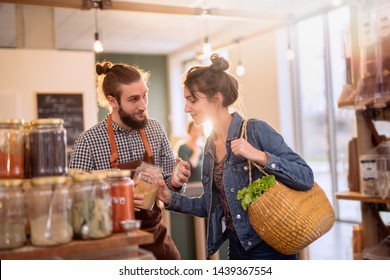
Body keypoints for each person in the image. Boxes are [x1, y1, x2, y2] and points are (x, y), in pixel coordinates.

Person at [157, 54, 314, 260]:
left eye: (192, 100)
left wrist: (258, 156)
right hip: (237, 248)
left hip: (269, 249)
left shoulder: (255, 130)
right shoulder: (210, 146)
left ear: (216, 99)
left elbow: (305, 176)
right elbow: (209, 205)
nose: (186, 108)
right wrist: (170, 199)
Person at [69, 61, 190, 260]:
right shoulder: (88, 141)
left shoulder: (155, 129)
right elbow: (76, 202)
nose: (143, 105)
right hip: (111, 245)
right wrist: (116, 198)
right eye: (134, 99)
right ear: (113, 101)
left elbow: (168, 185)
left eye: (145, 95)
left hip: (155, 238)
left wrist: (176, 182)